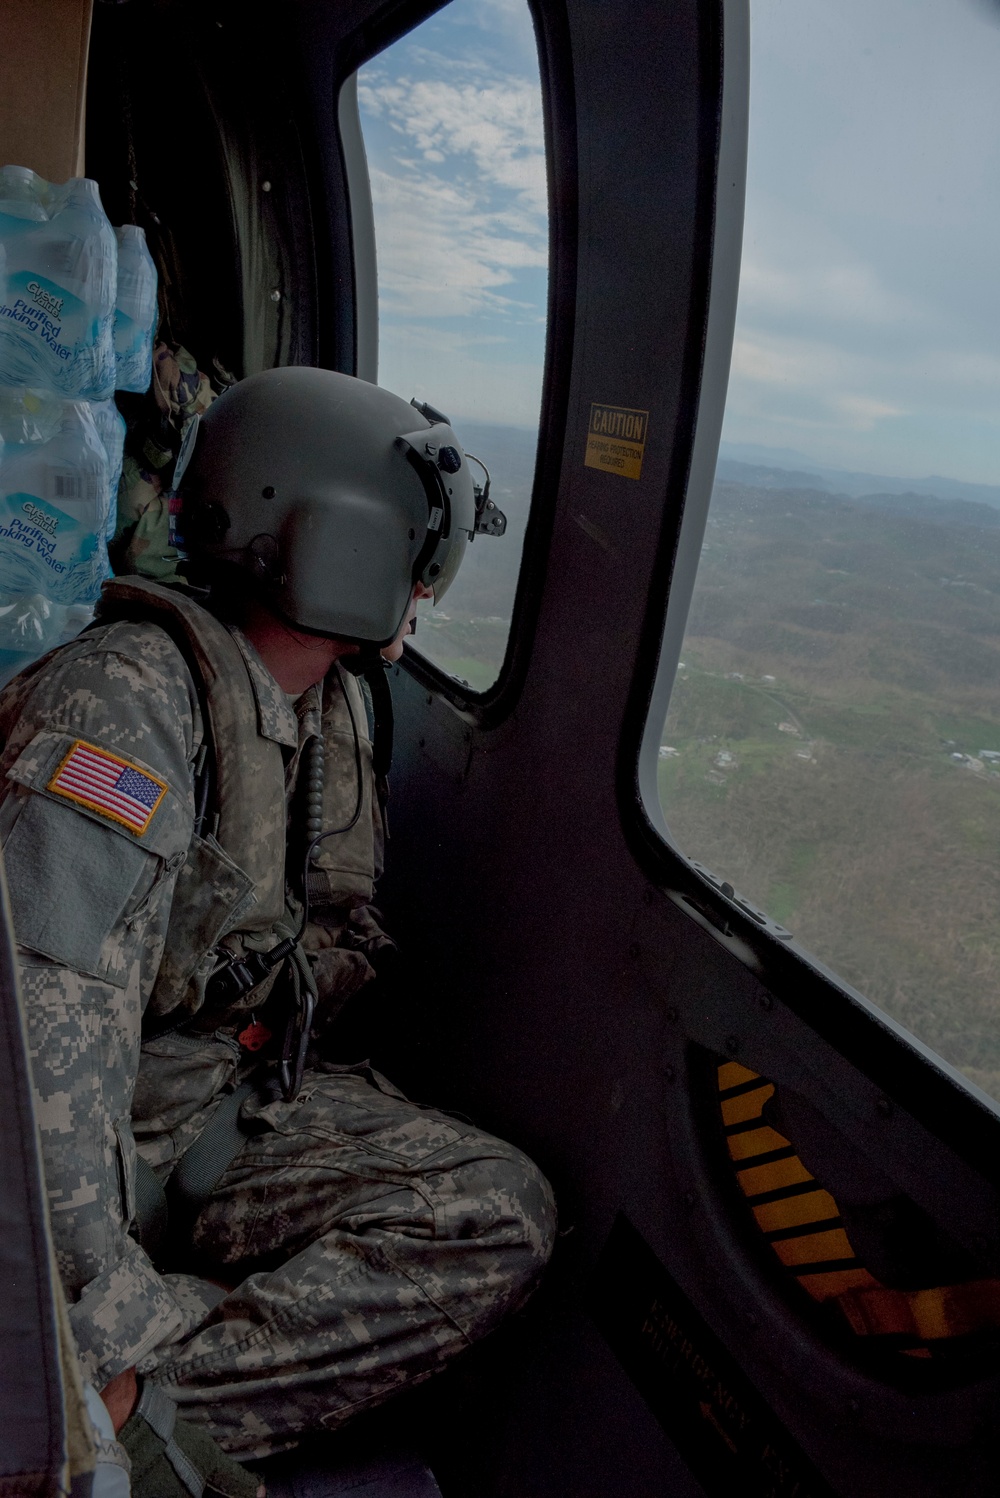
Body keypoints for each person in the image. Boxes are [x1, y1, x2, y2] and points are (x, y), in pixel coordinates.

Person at [0, 368, 556, 1496]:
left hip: (221, 1099)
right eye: (411, 546)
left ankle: (146, 1395)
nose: (423, 585)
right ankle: (101, 1416)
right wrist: (117, 1325)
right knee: (107, 1333)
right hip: (100, 1147)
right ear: (335, 540)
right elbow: (33, 1088)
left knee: (498, 1213)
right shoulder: (120, 707)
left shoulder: (325, 700)